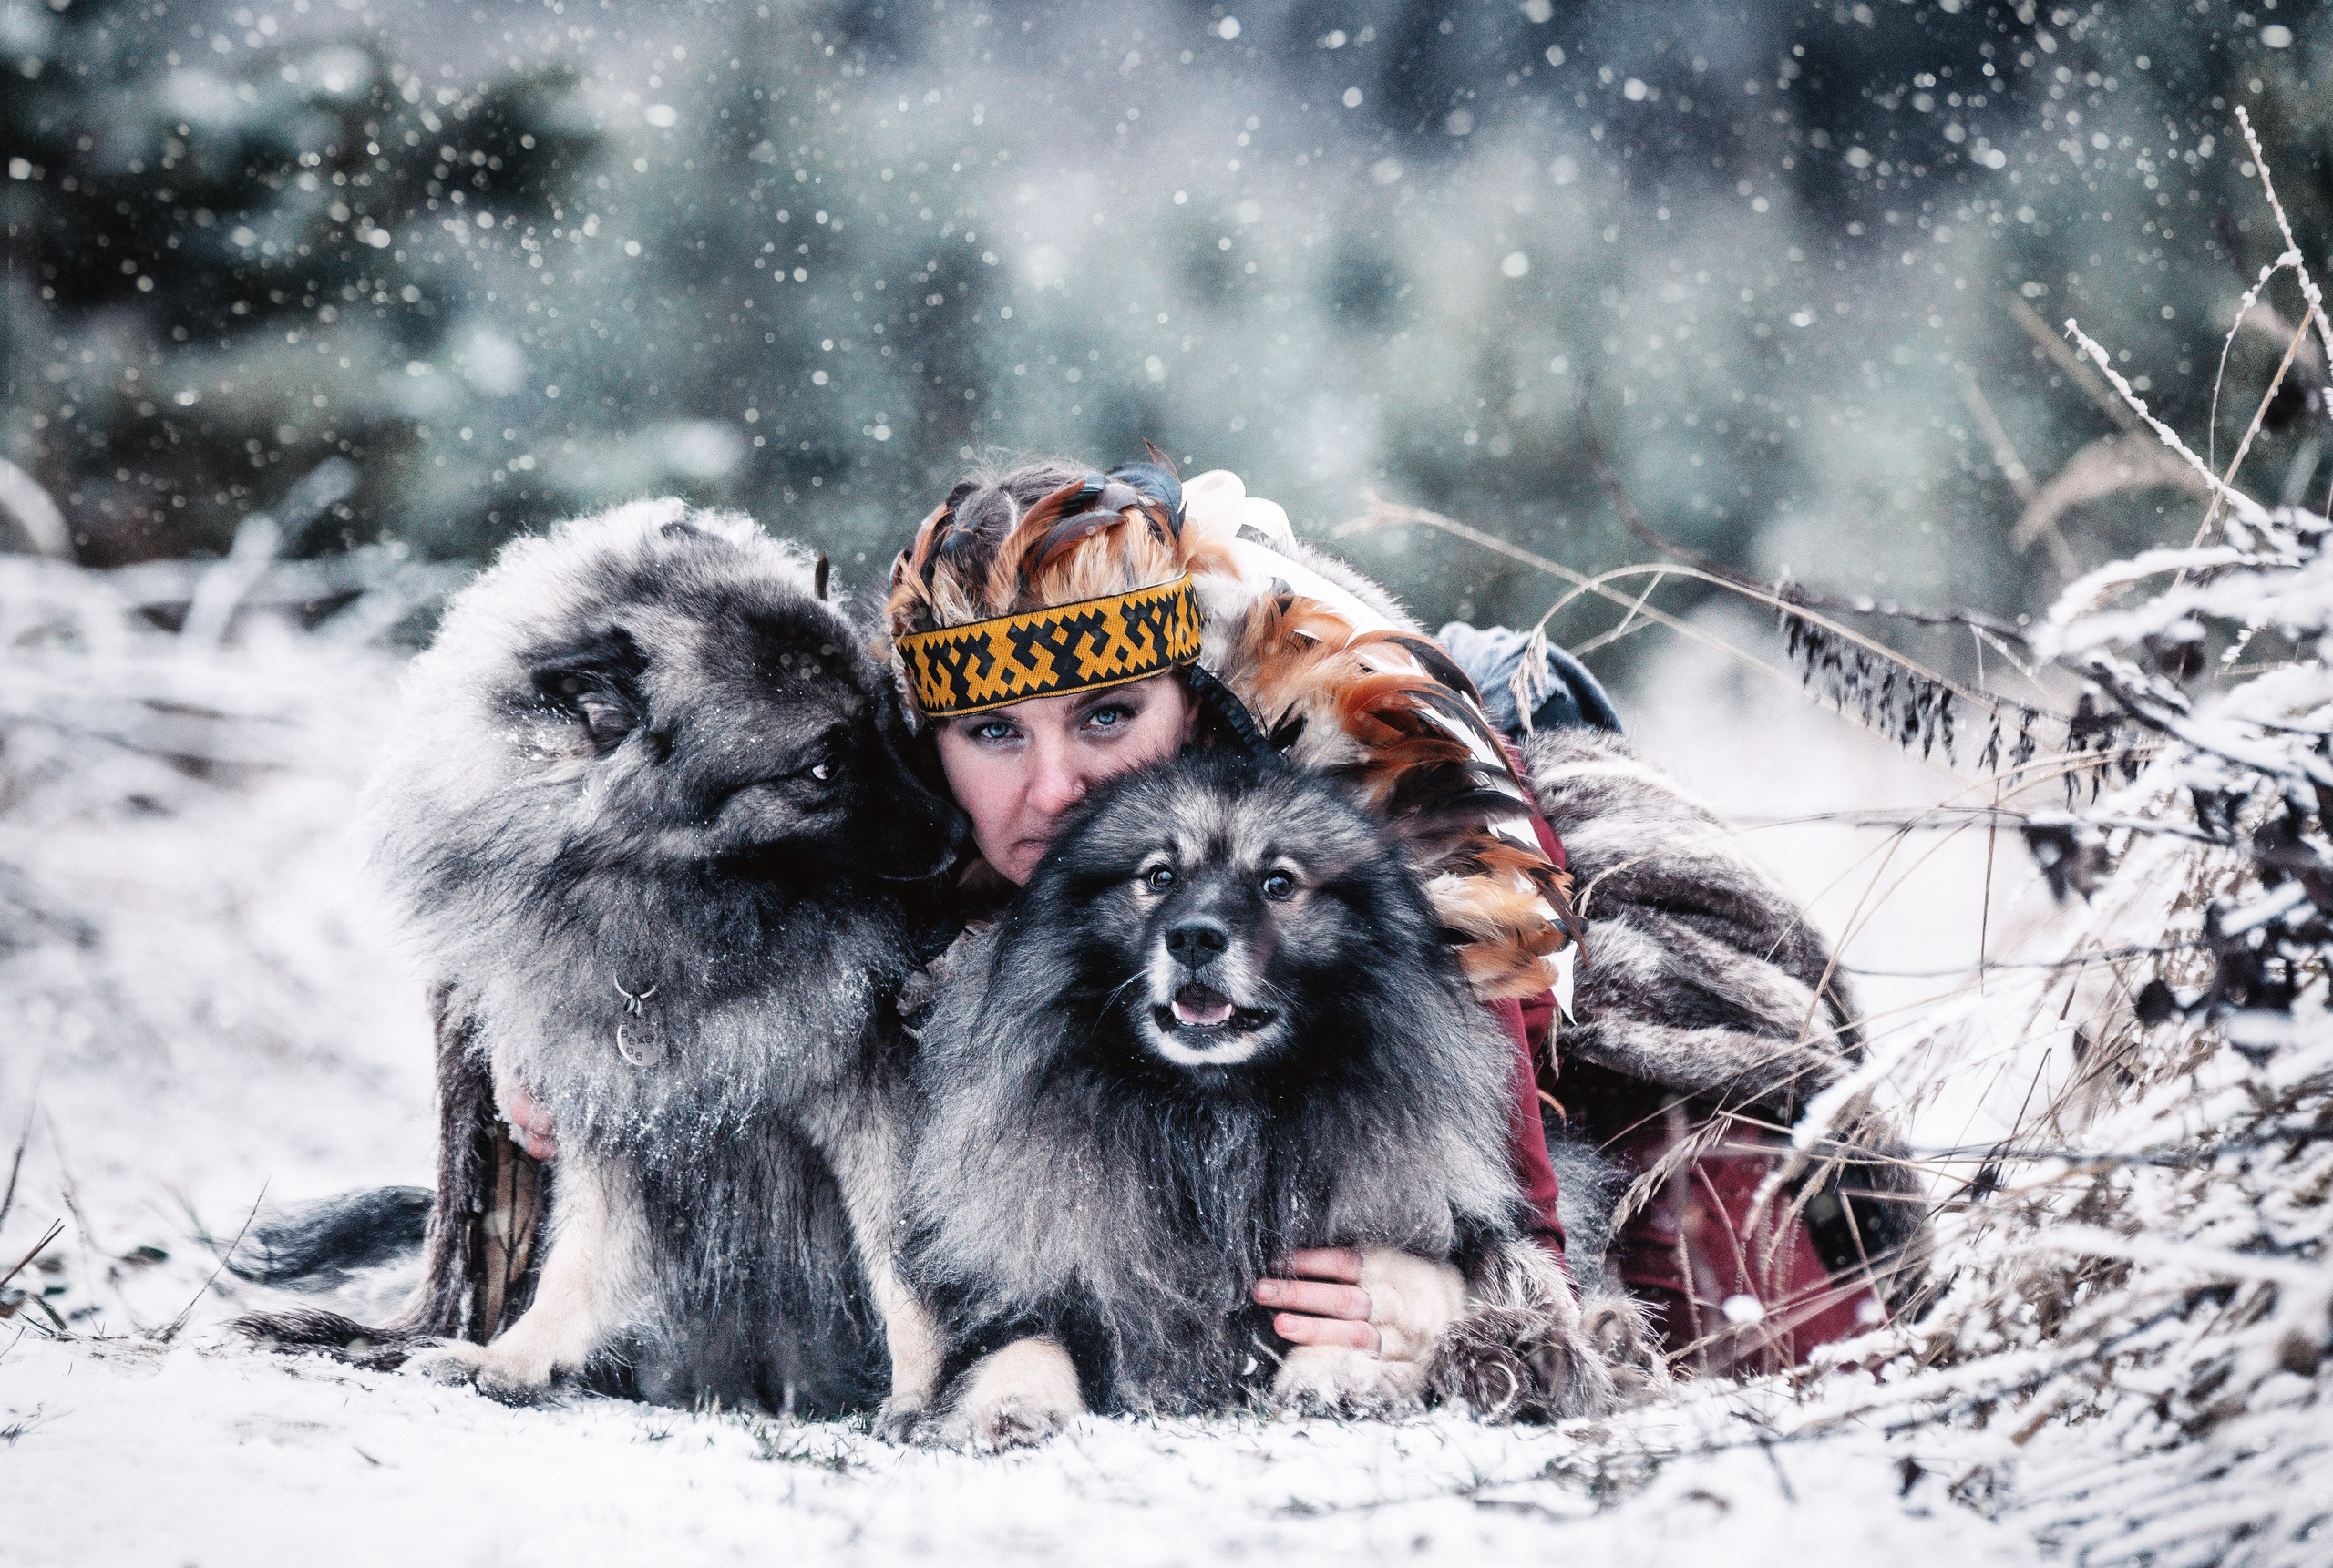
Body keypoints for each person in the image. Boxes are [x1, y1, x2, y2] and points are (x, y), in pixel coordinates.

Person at [511, 456, 1924, 1378]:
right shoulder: (894, 746)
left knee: (1717, 1212)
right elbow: (637, 852)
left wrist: (1498, 1289)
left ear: (1190, 701)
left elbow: (1498, 921)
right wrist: (542, 1052)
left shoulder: (1325, 679)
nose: (1055, 786)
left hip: (1503, 781)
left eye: (1109, 720)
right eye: (996, 735)